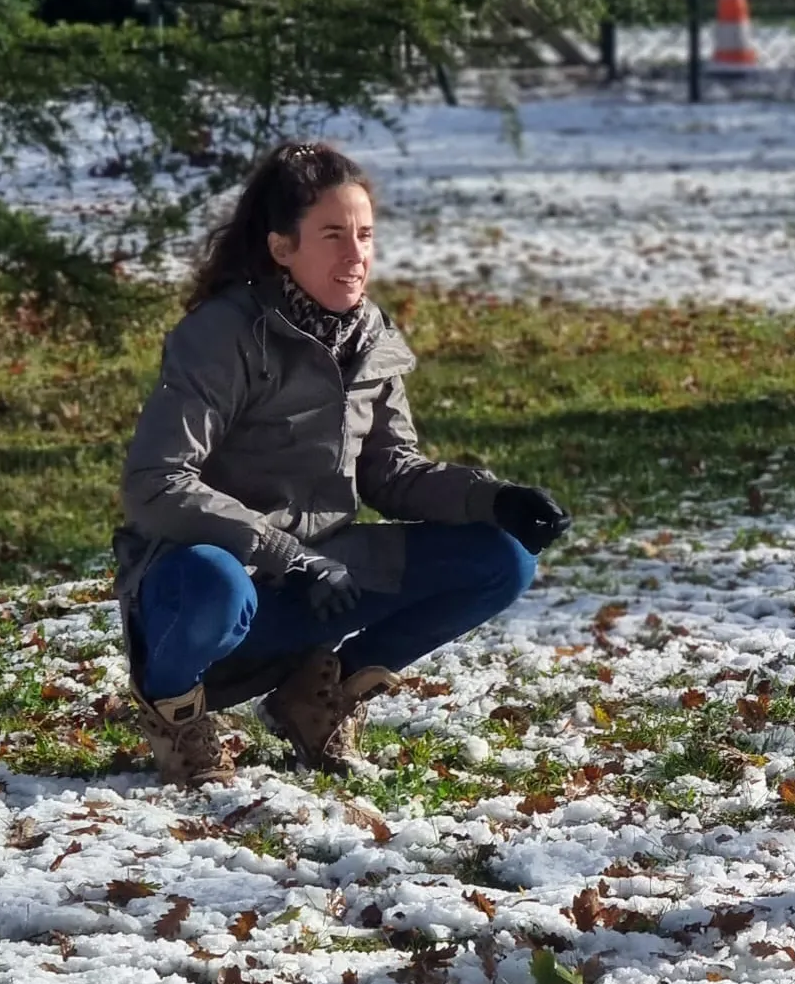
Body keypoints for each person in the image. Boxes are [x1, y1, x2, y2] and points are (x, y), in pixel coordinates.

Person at [112, 141, 572, 787]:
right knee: (214, 583)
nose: (355, 255)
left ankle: (317, 696)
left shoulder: (371, 338)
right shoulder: (220, 336)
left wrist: (494, 499)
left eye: (364, 234)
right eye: (332, 235)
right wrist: (286, 553)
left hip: (325, 581)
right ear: (281, 248)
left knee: (502, 557)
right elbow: (154, 484)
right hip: (207, 589)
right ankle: (175, 713)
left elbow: (391, 471)